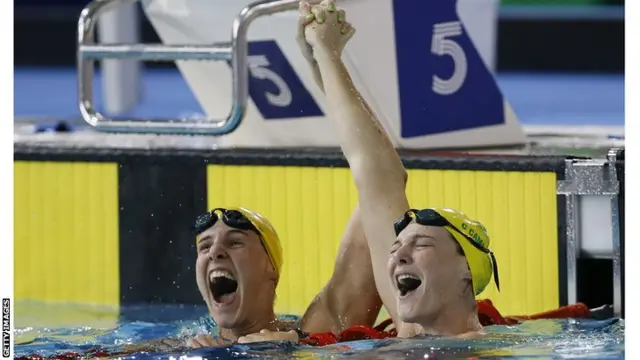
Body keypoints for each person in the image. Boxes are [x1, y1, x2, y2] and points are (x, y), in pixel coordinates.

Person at [237, 0, 597, 345]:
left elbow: (378, 175)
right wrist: (324, 60)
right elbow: (375, 175)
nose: (396, 256)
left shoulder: (433, 335)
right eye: (393, 248)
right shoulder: (375, 339)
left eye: (420, 244)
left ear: (466, 274)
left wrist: (326, 58)